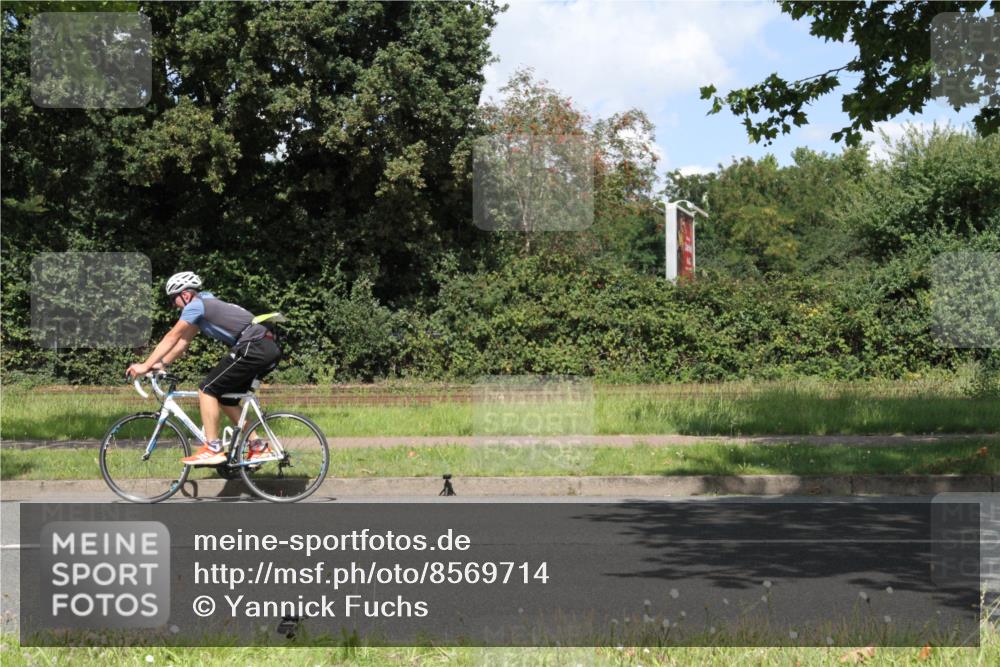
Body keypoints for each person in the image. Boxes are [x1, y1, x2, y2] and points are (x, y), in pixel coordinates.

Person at [126, 271, 281, 465]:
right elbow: (183, 342)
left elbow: (171, 337)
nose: (174, 305)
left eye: (174, 299)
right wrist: (161, 364)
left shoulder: (196, 306)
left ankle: (213, 447)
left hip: (254, 345)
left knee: (207, 389)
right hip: (264, 345)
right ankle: (258, 447)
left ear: (186, 295)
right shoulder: (204, 302)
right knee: (225, 398)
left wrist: (145, 365)